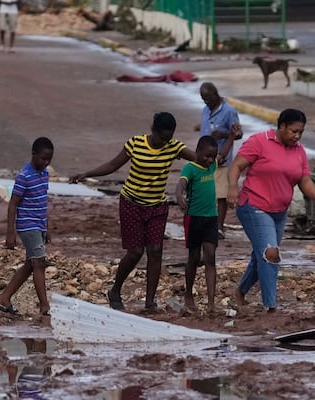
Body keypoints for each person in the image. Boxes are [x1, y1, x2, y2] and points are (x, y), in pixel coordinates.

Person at [70, 112, 196, 313]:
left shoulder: (174, 147)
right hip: (131, 203)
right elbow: (112, 165)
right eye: (161, 137)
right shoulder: (135, 144)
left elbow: (199, 158)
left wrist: (216, 153)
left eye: (168, 138)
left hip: (157, 206)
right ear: (153, 130)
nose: (164, 142)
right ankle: (115, 290)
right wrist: (87, 174)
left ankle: (150, 302)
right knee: (136, 251)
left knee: (155, 251)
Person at [227, 108, 315, 312]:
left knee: (262, 255)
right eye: (293, 131)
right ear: (281, 126)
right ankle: (271, 306)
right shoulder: (259, 141)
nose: (297, 136)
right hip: (254, 206)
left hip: (279, 212)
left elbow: (305, 183)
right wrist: (232, 187)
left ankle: (240, 291)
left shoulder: (299, 151)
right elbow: (236, 166)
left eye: (300, 132)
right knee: (271, 253)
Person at [0, 137, 54, 317]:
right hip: (27, 225)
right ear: (34, 154)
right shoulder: (24, 176)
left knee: (30, 264)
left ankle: (5, 297)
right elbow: (13, 204)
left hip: (39, 224)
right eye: (43, 158)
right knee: (39, 263)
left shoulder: (44, 174)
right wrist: (9, 232)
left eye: (49, 159)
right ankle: (44, 306)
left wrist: (47, 227)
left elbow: (42, 202)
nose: (46, 162)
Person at [175, 136, 219, 314]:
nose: (209, 160)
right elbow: (181, 183)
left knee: (210, 256)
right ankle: (189, 295)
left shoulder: (213, 165)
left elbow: (222, 155)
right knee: (193, 257)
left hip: (211, 218)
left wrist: (231, 137)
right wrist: (179, 196)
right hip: (193, 218)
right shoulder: (190, 167)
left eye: (212, 157)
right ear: (198, 152)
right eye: (206, 156)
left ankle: (211, 303)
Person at [197, 82, 242, 239]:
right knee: (205, 192)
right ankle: (206, 225)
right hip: (204, 159)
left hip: (221, 159)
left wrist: (223, 134)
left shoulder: (229, 111)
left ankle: (219, 227)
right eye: (204, 99)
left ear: (216, 94)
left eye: (208, 98)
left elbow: (239, 134)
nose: (206, 102)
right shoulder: (205, 110)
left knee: (221, 195)